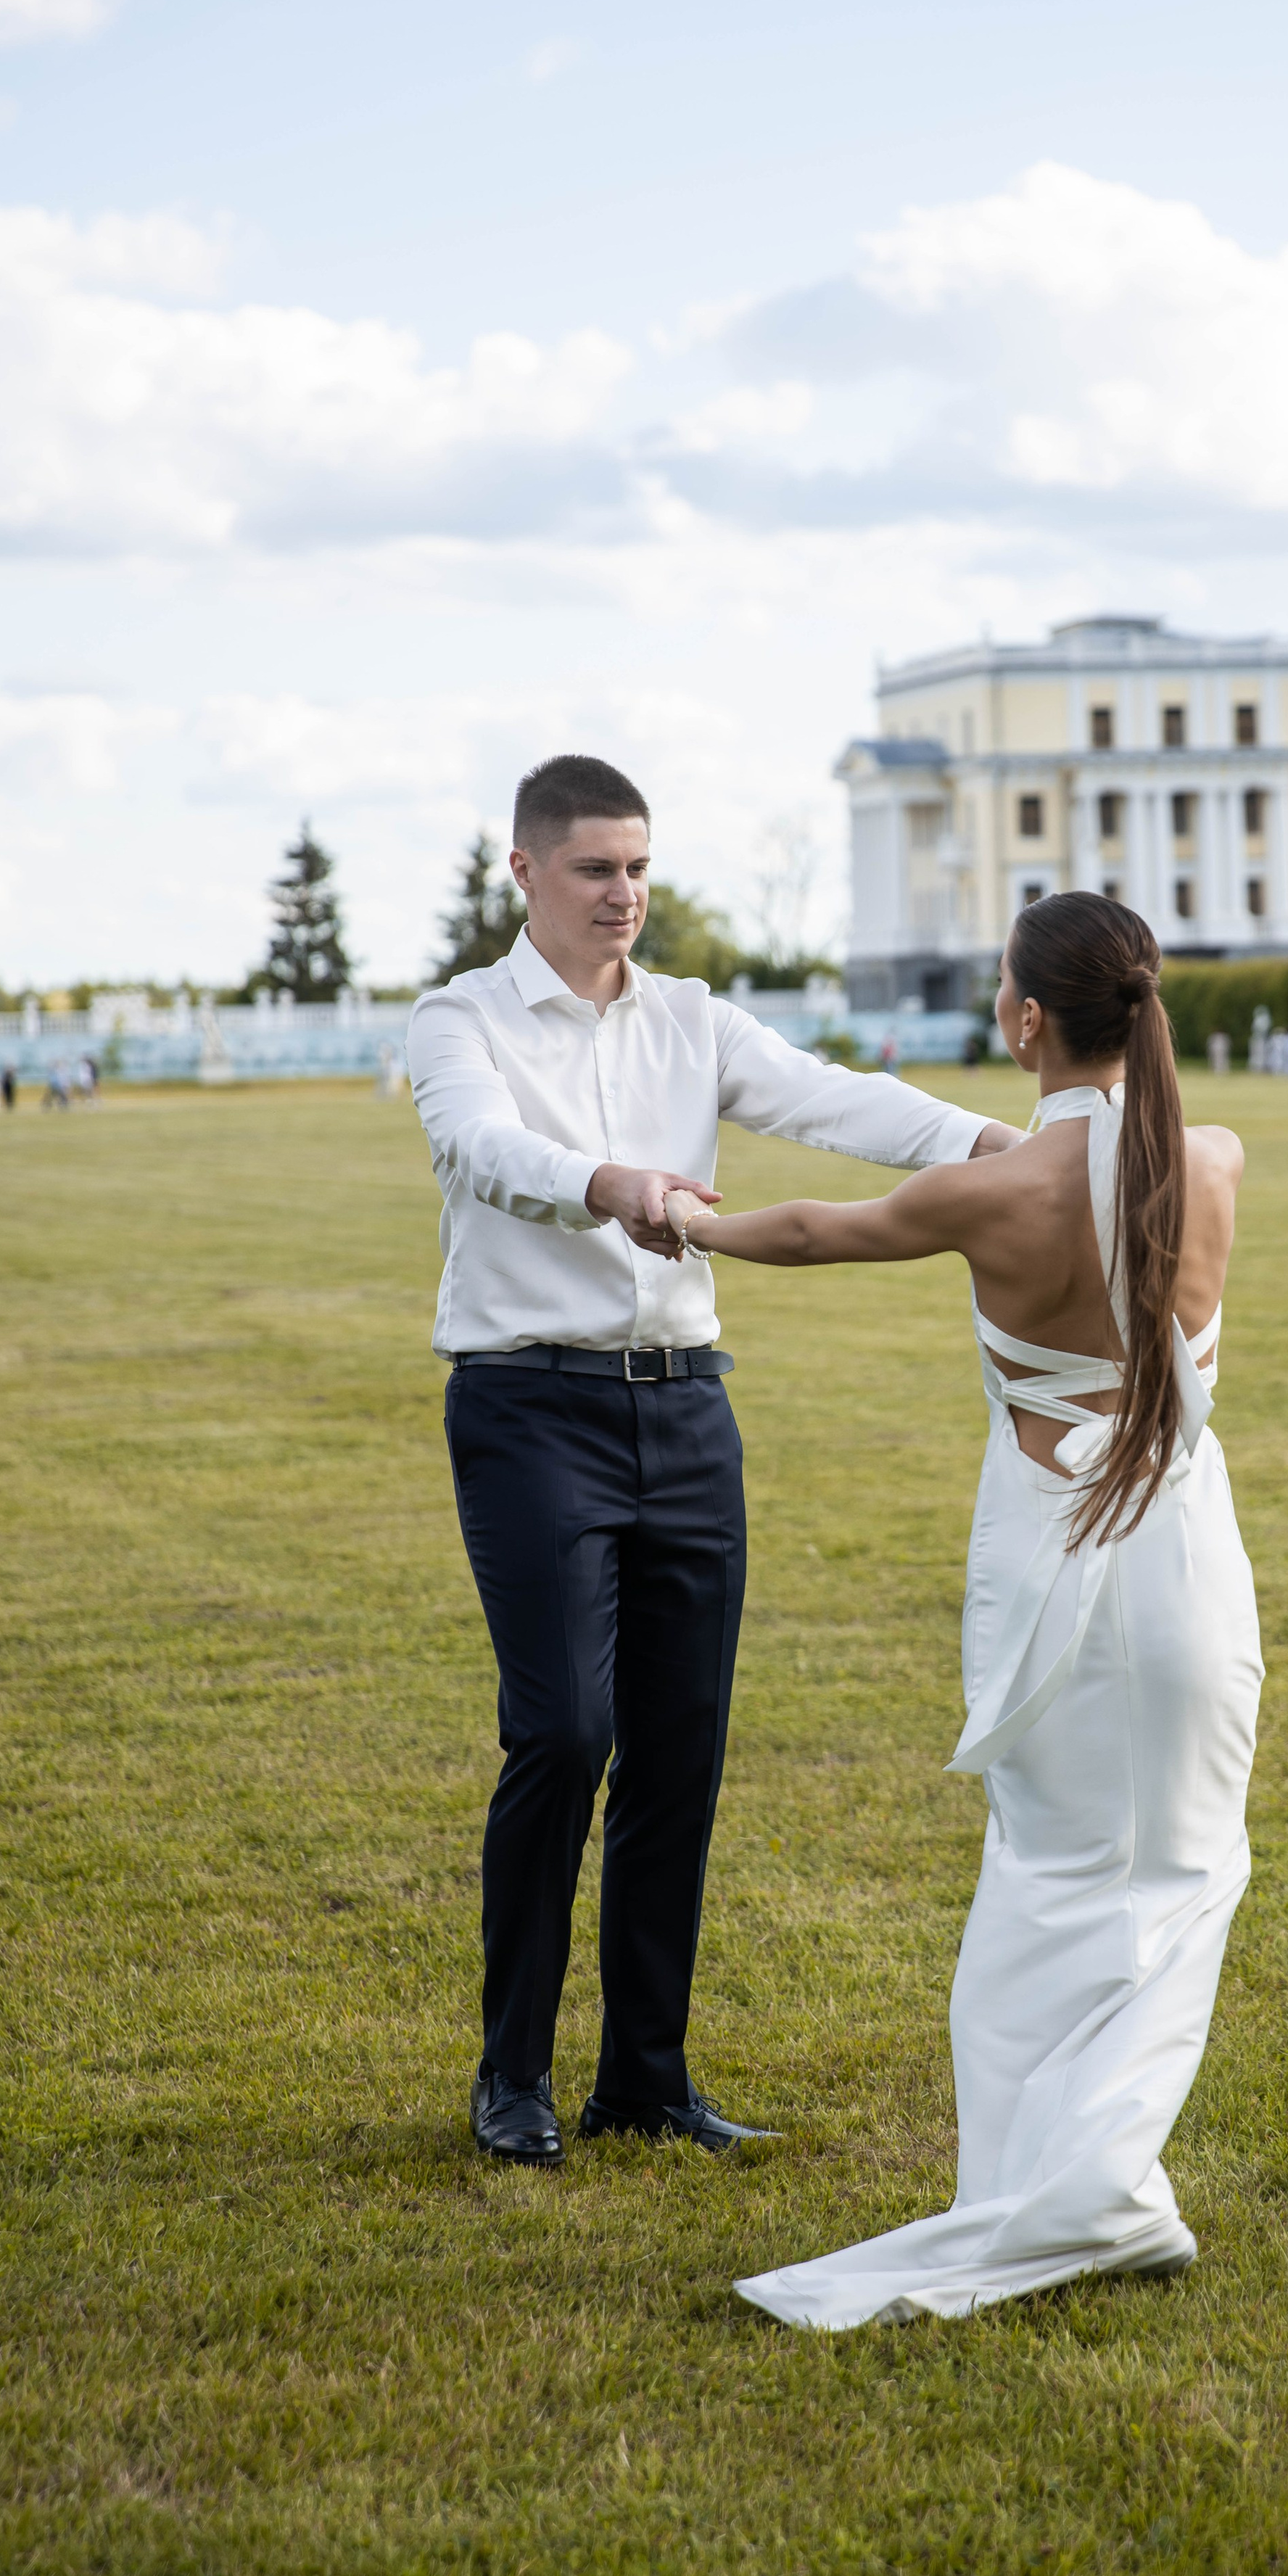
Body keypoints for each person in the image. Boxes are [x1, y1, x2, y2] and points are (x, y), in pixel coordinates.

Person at [405, 756, 1017, 2171]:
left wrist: (1004, 1143)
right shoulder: (463, 1018)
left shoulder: (690, 1019)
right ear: (525, 874)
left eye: (636, 868)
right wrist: (605, 1184)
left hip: (685, 1414)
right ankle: (512, 2077)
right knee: (562, 1732)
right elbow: (475, 1147)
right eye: (593, 870)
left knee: (679, 1751)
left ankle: (644, 2080)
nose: (623, 894)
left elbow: (829, 1101)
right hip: (525, 1409)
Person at [666, 891, 1262, 2325]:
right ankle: (1098, 2187)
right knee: (1176, 1882)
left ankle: (1075, 2193)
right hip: (1184, 1566)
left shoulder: (990, 1192)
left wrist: (688, 1218)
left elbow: (811, 1229)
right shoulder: (1217, 1161)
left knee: (1046, 1880)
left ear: (1024, 1020)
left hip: (1050, 1563)